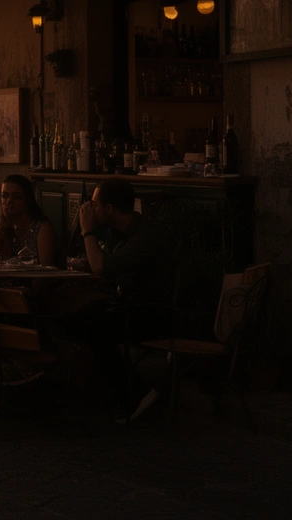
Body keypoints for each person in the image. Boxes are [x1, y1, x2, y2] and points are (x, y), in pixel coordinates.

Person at [74, 179, 176, 424]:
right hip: (129, 305)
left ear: (110, 209)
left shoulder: (147, 236)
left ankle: (136, 392)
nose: (90, 209)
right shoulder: (120, 232)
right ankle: (104, 392)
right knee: (78, 315)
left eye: (95, 205)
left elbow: (100, 266)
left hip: (153, 313)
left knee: (94, 327)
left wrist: (87, 230)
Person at [0, 174, 57, 267]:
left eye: (16, 197)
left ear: (27, 199)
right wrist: (0, 226)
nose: (9, 201)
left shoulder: (42, 228)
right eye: (4, 196)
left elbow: (46, 269)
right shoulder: (8, 226)